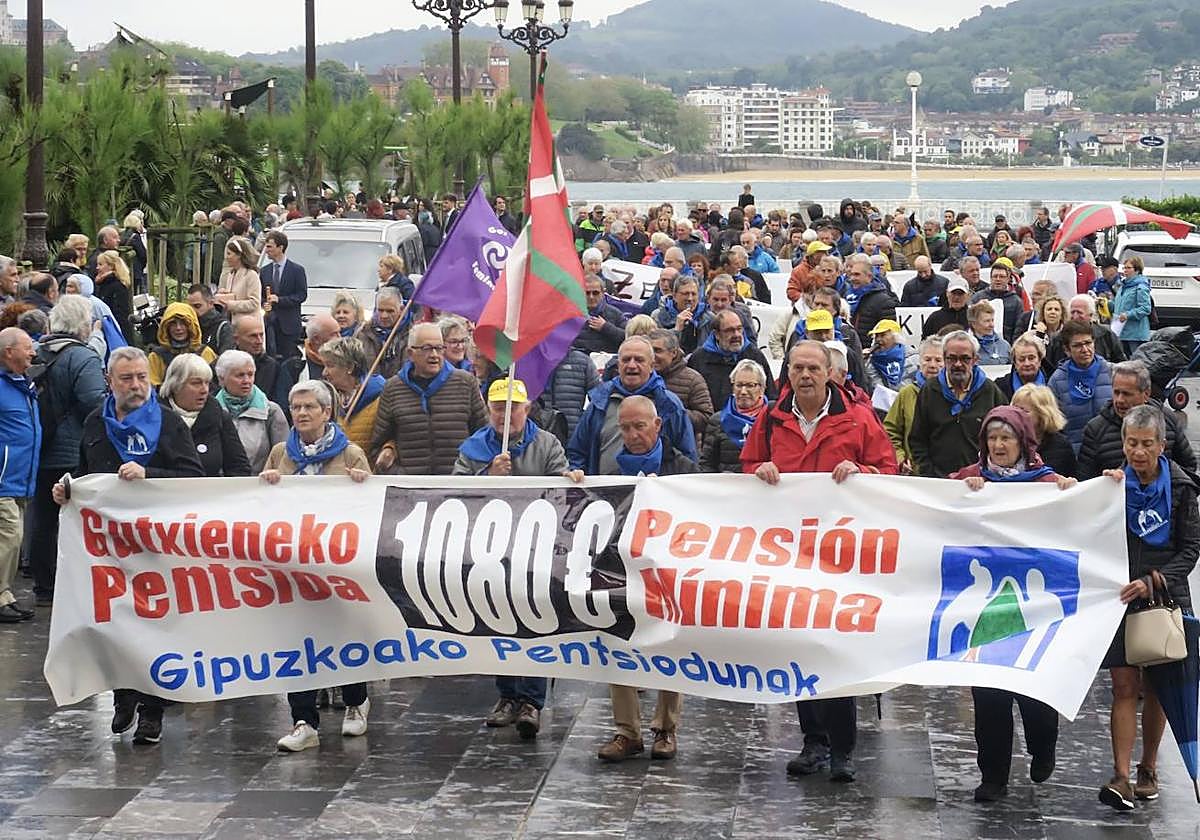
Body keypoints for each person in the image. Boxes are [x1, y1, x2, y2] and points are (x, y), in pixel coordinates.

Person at [741, 341, 897, 783]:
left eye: (813, 367)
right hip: (790, 554)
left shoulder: (858, 419)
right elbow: (747, 465)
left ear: (830, 373)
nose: (805, 374)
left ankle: (843, 748)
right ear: (786, 373)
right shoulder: (771, 420)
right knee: (799, 647)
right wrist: (759, 472)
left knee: (835, 648)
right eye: (797, 368)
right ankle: (813, 742)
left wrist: (862, 474)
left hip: (842, 558)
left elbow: (889, 472)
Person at [51, 347, 203, 743]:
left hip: (157, 546)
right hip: (110, 548)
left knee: (156, 626)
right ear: (109, 381)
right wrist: (67, 490)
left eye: (141, 378)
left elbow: (193, 477)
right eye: (127, 379)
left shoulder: (167, 423)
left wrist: (149, 472)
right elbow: (86, 477)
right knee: (116, 622)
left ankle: (152, 710)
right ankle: (124, 694)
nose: (136, 386)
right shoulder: (94, 423)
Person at [950, 406, 1074, 802]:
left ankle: (1043, 745)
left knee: (1033, 692)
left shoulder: (1046, 482)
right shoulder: (970, 479)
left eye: (1006, 438)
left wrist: (1083, 491)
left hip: (1034, 604)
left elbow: (1081, 513)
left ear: (1023, 442)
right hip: (986, 608)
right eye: (992, 438)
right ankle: (993, 776)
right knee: (988, 697)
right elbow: (935, 508)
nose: (998, 445)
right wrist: (959, 490)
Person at [452, 378, 581, 738]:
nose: (504, 415)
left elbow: (560, 480)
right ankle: (507, 694)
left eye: (513, 408)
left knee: (537, 619)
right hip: (491, 548)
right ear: (488, 408)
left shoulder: (546, 443)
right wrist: (486, 475)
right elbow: (455, 489)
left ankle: (531, 701)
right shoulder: (474, 447)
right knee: (498, 618)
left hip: (536, 549)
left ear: (527, 408)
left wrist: (570, 477)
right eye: (497, 407)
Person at [1097, 405, 1200, 811]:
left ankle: (1149, 767)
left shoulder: (1181, 487)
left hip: (1165, 597)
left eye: (1146, 444)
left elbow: (1191, 548)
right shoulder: (1112, 485)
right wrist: (1096, 492)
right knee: (1123, 686)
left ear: (1161, 445)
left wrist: (1153, 580)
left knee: (1158, 687)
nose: (1137, 452)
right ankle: (1120, 776)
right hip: (1120, 596)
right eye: (1131, 443)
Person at [261, 380, 372, 753]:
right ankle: (303, 719)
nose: (302, 414)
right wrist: (267, 485)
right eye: (296, 407)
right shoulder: (281, 454)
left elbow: (370, 510)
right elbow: (258, 510)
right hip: (293, 566)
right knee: (298, 639)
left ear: (327, 412)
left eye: (310, 407)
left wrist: (362, 485)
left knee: (344, 635)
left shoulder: (351, 454)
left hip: (339, 566)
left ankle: (356, 701)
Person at [597, 395, 696, 763]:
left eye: (639, 426)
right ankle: (627, 731)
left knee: (670, 645)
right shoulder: (611, 472)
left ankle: (666, 729)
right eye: (625, 428)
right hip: (623, 571)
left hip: (668, 572)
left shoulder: (684, 471)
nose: (632, 434)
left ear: (657, 426)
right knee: (619, 645)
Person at [27, 299, 107, 607]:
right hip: (71, 449)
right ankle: (67, 584)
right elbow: (93, 402)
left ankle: (42, 584)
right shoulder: (82, 357)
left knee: (42, 518)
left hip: (40, 446)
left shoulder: (36, 351)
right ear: (83, 325)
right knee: (73, 519)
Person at [567, 336, 696, 475]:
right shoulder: (600, 401)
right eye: (626, 360)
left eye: (639, 360)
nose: (632, 365)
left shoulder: (670, 404)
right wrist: (577, 474)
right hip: (604, 493)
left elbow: (687, 457)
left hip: (656, 493)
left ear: (652, 366)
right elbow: (578, 451)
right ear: (618, 365)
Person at [370, 322, 486, 476]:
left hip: (456, 486)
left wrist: (469, 474)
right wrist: (397, 471)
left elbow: (483, 435)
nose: (434, 355)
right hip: (410, 490)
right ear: (410, 353)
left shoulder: (465, 383)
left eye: (439, 348)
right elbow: (377, 445)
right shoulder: (392, 388)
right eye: (426, 348)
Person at [909, 331, 1007, 478]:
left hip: (981, 481)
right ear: (944, 358)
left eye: (965, 358)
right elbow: (917, 439)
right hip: (938, 483)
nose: (958, 364)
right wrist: (928, 473)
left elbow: (1005, 435)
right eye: (952, 358)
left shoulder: (990, 391)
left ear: (975, 360)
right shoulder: (930, 391)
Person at [1077, 360, 1195, 480]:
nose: (1119, 400)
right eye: (1116, 392)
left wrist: (1165, 490)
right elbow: (1085, 480)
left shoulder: (1167, 420)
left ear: (1146, 394)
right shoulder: (1096, 429)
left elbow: (1188, 467)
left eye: (1127, 394)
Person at [159, 353, 251, 477]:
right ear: (175, 385)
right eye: (196, 383)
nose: (204, 390)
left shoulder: (219, 417)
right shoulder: (154, 419)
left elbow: (239, 468)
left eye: (207, 383)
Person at [0, 328, 38, 623]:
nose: (33, 353)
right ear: (8, 351)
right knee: (11, 536)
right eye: (27, 348)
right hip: (4, 478)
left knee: (13, 538)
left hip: (21, 477)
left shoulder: (22, 384)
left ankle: (5, 594)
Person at [214, 349, 289, 474]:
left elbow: (283, 457)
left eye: (250, 374)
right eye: (240, 375)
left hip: (260, 486)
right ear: (222, 378)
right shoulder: (211, 412)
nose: (247, 381)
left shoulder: (271, 411)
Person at [688, 310, 775, 410]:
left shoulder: (754, 356)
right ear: (716, 334)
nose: (736, 335)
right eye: (729, 330)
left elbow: (771, 394)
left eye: (739, 329)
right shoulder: (699, 359)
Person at [1048, 319, 1114, 453]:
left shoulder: (1112, 372)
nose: (1085, 349)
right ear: (1067, 350)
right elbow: (1053, 426)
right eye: (1078, 345)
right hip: (1075, 455)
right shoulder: (1057, 381)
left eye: (1088, 343)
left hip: (1110, 453)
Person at [884, 337, 943, 474]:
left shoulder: (954, 396)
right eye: (927, 359)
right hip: (913, 476)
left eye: (938, 360)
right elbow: (890, 431)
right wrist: (900, 457)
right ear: (919, 361)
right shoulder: (907, 393)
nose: (932, 365)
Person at [320, 337, 386, 453]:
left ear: (350, 367)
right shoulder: (329, 397)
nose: (324, 372)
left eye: (330, 366)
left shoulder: (381, 395)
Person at [702, 358, 769, 473]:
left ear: (762, 389)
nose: (743, 391)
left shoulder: (772, 420)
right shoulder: (718, 421)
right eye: (739, 385)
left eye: (750, 385)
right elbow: (707, 464)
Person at [649, 329, 713, 438]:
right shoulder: (641, 377)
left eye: (658, 351)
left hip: (680, 448)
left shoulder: (693, 379)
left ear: (673, 353)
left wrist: (674, 414)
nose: (653, 356)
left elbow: (706, 418)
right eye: (650, 351)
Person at [1010, 384, 1077, 478]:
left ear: (1042, 414)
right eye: (1015, 409)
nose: (1017, 415)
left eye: (1024, 411)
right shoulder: (1007, 441)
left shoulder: (1059, 446)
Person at [260, 230, 307, 360]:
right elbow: (260, 296)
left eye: (269, 246)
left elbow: (301, 295)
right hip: (270, 325)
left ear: (280, 247)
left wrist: (280, 300)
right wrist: (264, 304)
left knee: (289, 362)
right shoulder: (265, 271)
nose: (266, 250)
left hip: (289, 326)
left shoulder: (296, 270)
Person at [147, 302, 218, 386]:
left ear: (191, 326)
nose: (178, 328)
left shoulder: (205, 353)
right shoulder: (156, 357)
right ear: (166, 327)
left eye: (183, 323)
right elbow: (152, 388)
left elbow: (214, 385)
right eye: (173, 323)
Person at [1046, 295, 1124, 369]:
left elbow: (1121, 363)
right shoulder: (1059, 338)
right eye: (1073, 312)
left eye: (1079, 313)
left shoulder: (1106, 334)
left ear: (1090, 315)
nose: (1075, 316)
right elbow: (1052, 367)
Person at [844, 253, 898, 347]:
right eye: (851, 275)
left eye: (857, 275)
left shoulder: (883, 301)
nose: (852, 278)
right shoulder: (846, 296)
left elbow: (888, 336)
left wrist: (872, 351)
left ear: (869, 277)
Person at [653, 275, 711, 354]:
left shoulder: (708, 317)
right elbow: (657, 347)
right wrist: (677, 329)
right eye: (685, 294)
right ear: (674, 295)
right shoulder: (659, 315)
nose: (690, 299)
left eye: (693, 294)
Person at [971, 263, 1023, 344]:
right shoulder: (978, 297)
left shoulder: (1016, 301)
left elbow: (1019, 328)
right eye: (995, 276)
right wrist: (976, 308)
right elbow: (970, 322)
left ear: (1008, 279)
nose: (998, 279)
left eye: (1002, 277)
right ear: (990, 278)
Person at [1112, 256, 1153, 357]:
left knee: (1136, 362)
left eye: (1128, 268)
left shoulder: (1141, 286)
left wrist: (1128, 314)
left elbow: (1145, 308)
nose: (1125, 270)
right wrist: (1105, 303)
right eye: (1124, 267)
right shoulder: (1123, 286)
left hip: (1135, 334)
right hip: (1121, 331)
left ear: (1137, 270)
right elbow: (1118, 305)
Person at [575, 276, 626, 355]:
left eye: (595, 293)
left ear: (602, 293)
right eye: (587, 293)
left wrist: (605, 327)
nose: (591, 297)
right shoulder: (571, 313)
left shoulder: (615, 314)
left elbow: (627, 338)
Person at [862, 319, 916, 393]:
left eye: (883, 335)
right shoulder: (871, 361)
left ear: (896, 337)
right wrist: (862, 362)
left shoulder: (912, 358)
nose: (878, 339)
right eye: (876, 336)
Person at [213, 236, 262, 317]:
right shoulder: (231, 274)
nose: (226, 257)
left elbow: (254, 303)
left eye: (229, 254)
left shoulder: (251, 275)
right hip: (233, 322)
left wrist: (231, 304)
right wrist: (225, 294)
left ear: (239, 255)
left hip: (248, 323)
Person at [94, 251, 134, 343]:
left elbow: (121, 314)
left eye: (100, 264)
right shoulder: (102, 284)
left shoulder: (117, 286)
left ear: (111, 266)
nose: (97, 268)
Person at [187, 284, 234, 357]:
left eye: (197, 306)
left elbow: (226, 362)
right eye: (189, 307)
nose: (193, 311)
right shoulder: (187, 326)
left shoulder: (223, 328)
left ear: (211, 303)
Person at [998, 333, 1047, 401]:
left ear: (1040, 360)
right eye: (1021, 359)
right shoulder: (999, 387)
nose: (1027, 364)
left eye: (1031, 358)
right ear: (1014, 362)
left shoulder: (1053, 383)